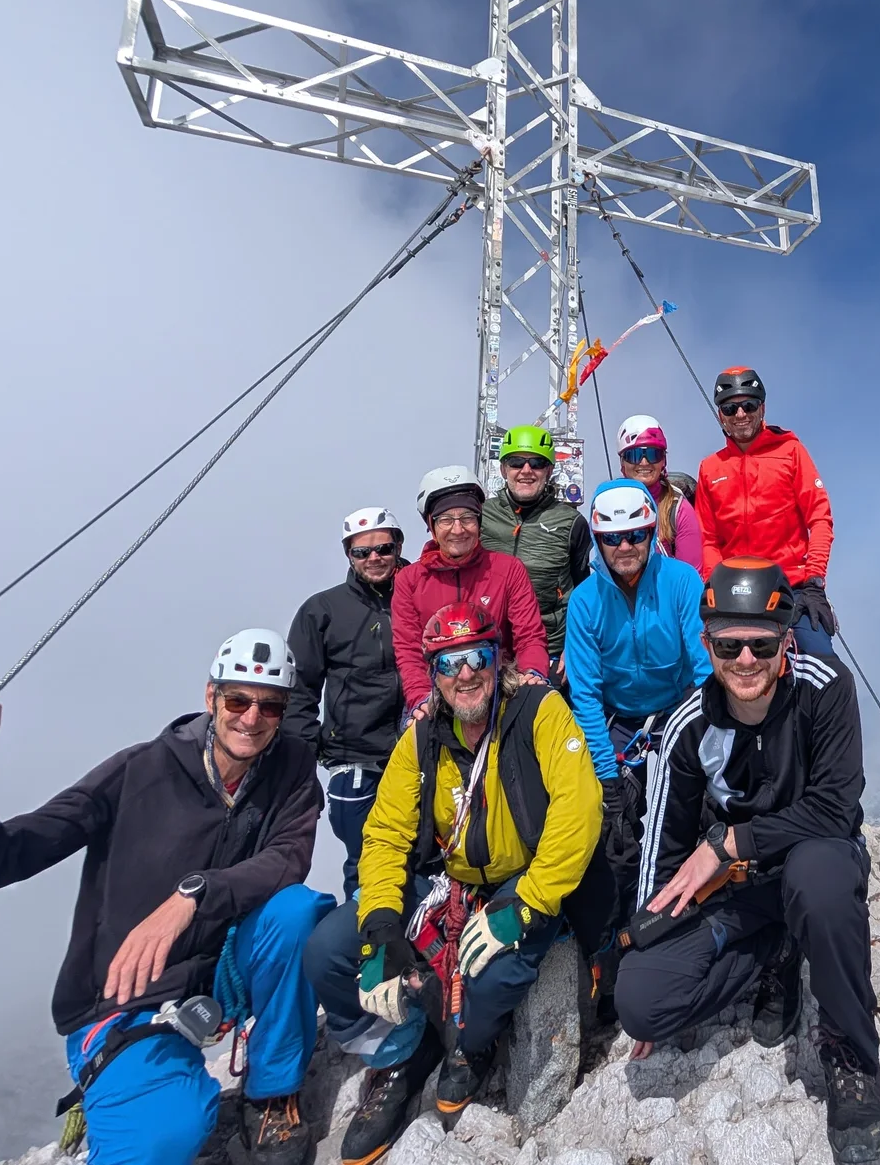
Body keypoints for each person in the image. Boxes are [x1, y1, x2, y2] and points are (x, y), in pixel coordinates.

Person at [0, 630, 331, 1165]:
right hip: (128, 997)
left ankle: (272, 1094)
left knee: (297, 913)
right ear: (210, 697)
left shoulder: (290, 770)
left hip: (218, 973)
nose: (252, 718)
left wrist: (192, 896)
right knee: (165, 1138)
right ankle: (124, 1093)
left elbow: (286, 860)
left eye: (270, 706)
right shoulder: (139, 772)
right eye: (238, 700)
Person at [302, 602, 600, 1161]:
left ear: (498, 658)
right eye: (449, 662)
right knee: (326, 952)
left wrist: (529, 905)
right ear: (432, 673)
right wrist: (382, 929)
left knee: (484, 990)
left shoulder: (538, 711)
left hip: (523, 882)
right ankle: (400, 1053)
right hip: (448, 884)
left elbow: (579, 807)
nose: (466, 673)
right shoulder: (422, 739)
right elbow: (386, 833)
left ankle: (470, 1043)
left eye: (477, 656)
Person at [614, 559, 880, 1165]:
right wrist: (646, 938)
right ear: (707, 643)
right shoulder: (687, 725)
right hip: (741, 894)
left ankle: (851, 1056)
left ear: (785, 638)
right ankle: (779, 951)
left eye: (761, 643)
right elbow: (664, 847)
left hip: (816, 863)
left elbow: (836, 809)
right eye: (728, 644)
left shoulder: (825, 687)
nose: (744, 660)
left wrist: (730, 843)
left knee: (815, 879)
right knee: (639, 1001)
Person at [563, 480, 710, 949]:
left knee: (693, 812)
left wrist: (705, 739)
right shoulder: (586, 601)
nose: (625, 547)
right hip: (620, 722)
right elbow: (585, 694)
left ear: (651, 533)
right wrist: (607, 780)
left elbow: (704, 668)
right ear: (599, 541)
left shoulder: (682, 582)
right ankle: (614, 941)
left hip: (678, 710)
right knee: (614, 834)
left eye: (635, 535)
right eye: (612, 538)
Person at [287, 505, 410, 895]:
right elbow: (299, 694)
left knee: (422, 858)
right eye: (362, 552)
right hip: (354, 757)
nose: (374, 558)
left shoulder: (420, 595)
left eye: (384, 549)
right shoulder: (322, 610)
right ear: (349, 555)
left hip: (419, 750)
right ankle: (364, 946)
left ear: (398, 546)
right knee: (365, 860)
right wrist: (301, 770)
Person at [695, 367, 839, 656]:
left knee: (824, 667)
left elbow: (820, 519)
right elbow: (708, 539)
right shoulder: (710, 469)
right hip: (733, 592)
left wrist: (814, 582)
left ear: (762, 408)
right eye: (730, 408)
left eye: (748, 405)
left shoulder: (790, 452)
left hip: (791, 587)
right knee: (713, 670)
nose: (740, 415)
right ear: (720, 415)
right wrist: (713, 587)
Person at [393, 465, 549, 713]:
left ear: (479, 521)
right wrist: (420, 699)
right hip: (439, 694)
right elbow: (409, 651)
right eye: (445, 519)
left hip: (498, 689)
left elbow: (529, 635)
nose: (458, 529)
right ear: (430, 526)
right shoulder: (410, 581)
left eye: (467, 518)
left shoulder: (508, 570)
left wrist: (532, 672)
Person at [480, 424, 592, 666]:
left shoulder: (571, 522)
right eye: (517, 462)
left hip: (549, 646)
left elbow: (585, 591)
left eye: (537, 463)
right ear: (503, 469)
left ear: (549, 470)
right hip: (488, 647)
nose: (526, 471)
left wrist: (575, 646)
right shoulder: (480, 515)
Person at [615, 414, 702, 566]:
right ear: (623, 463)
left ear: (663, 461)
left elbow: (691, 577)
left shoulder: (678, 510)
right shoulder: (609, 506)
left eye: (652, 454)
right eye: (634, 455)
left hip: (667, 589)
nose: (644, 462)